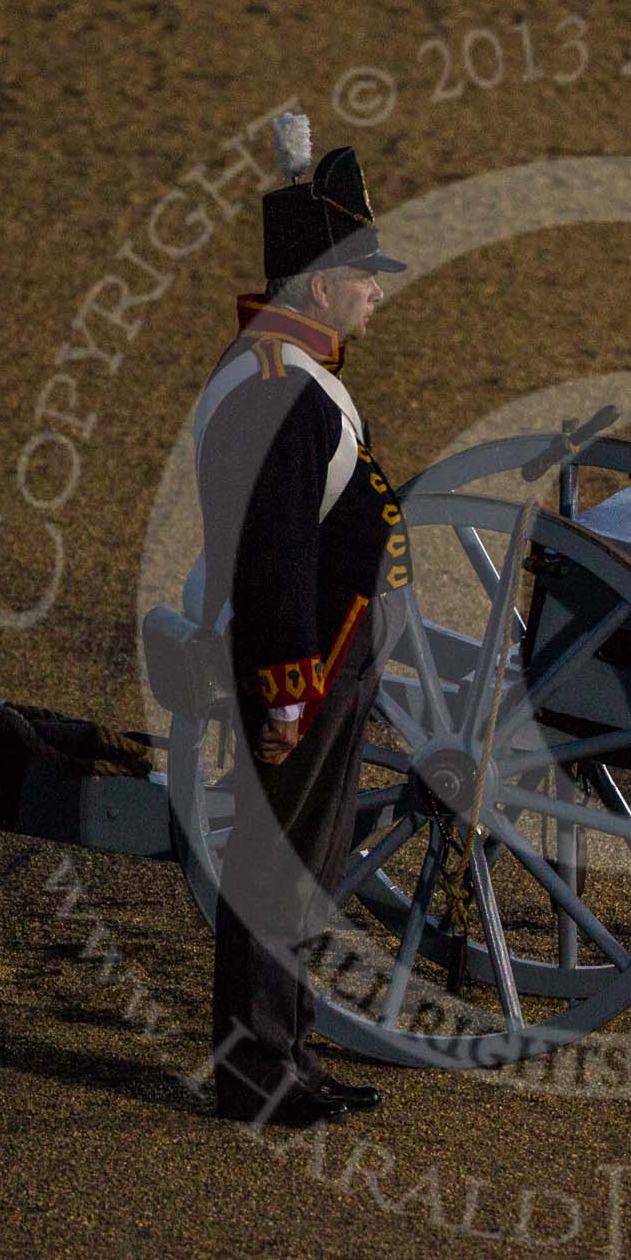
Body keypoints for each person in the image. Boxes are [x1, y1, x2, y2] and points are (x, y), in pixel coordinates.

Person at [193, 115, 410, 1126]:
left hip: (324, 663)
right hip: (299, 673)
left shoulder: (296, 376)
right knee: (277, 869)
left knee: (303, 869)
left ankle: (286, 1053)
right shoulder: (282, 391)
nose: (378, 293)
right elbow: (272, 557)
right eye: (364, 276)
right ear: (319, 287)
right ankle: (257, 1072)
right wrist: (284, 688)